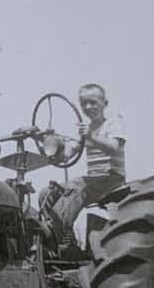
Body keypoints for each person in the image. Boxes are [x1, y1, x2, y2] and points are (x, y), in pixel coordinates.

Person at [40, 83, 126, 243]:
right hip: (93, 180)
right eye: (84, 103)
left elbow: (114, 147)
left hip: (112, 179)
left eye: (93, 102)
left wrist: (91, 136)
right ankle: (52, 235)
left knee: (77, 187)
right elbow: (66, 155)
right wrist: (51, 147)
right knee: (48, 192)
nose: (88, 106)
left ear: (105, 104)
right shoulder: (85, 130)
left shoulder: (112, 124)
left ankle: (53, 230)